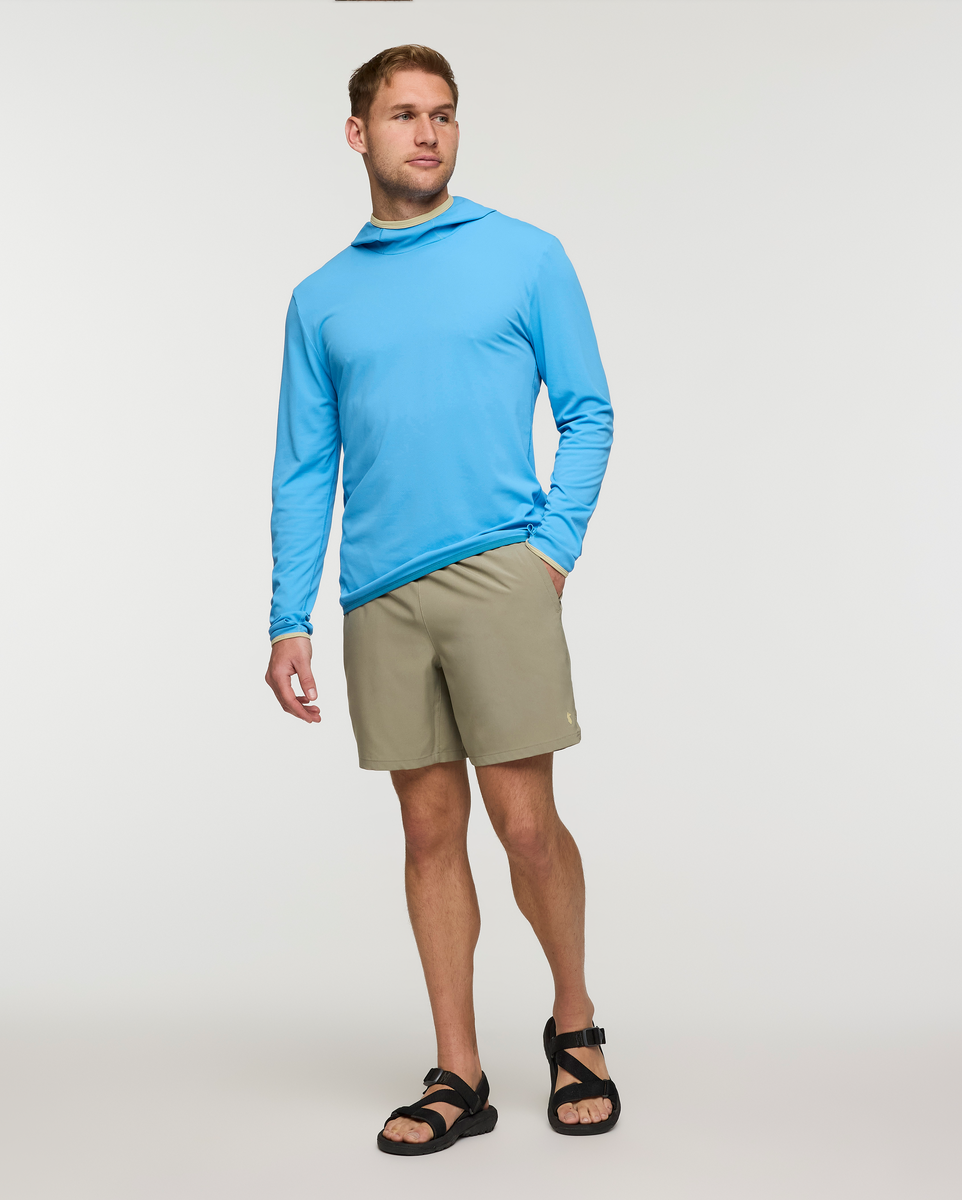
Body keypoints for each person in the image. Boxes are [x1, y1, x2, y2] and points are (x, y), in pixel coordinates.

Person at [264, 44, 618, 1155]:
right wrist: (288, 614)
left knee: (525, 825)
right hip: (380, 596)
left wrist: (550, 551)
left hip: (498, 571)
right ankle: (458, 1072)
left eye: (444, 114)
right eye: (405, 114)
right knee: (427, 831)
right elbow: (303, 467)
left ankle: (575, 1024)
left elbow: (590, 411)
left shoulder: (525, 256)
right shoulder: (320, 300)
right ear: (358, 134)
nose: (427, 132)